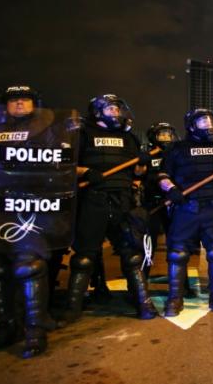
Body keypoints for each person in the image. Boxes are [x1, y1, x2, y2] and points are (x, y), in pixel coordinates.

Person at [0, 86, 74, 357]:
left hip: (31, 208)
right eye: (13, 100)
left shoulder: (50, 133)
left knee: (28, 267)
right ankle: (5, 327)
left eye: (24, 99)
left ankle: (34, 331)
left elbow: (62, 169)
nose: (18, 104)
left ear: (35, 104)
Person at [64, 94, 157, 321]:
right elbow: (65, 164)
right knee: (85, 256)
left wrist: (142, 164)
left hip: (122, 201)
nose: (116, 113)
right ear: (98, 112)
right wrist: (85, 172)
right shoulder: (82, 135)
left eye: (118, 109)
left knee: (131, 255)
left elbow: (136, 174)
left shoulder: (129, 139)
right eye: (111, 109)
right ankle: (72, 309)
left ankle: (143, 303)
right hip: (92, 199)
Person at [157, 109, 213, 315]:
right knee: (177, 254)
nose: (209, 124)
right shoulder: (177, 149)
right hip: (186, 208)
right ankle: (175, 298)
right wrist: (172, 189)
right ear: (192, 126)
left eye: (211, 120)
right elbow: (162, 176)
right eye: (204, 121)